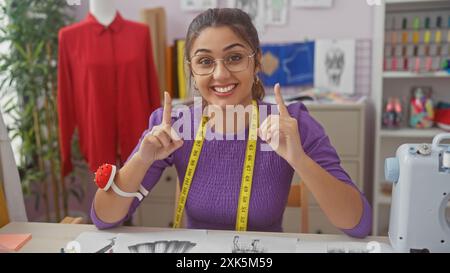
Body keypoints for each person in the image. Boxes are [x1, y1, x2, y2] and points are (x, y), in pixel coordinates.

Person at [91, 8, 372, 238]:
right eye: (205, 61)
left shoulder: (291, 122)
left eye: (235, 57)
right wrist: (141, 159)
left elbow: (358, 223)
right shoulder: (173, 125)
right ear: (191, 69)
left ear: (257, 61)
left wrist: (300, 159)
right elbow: (103, 217)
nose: (221, 74)